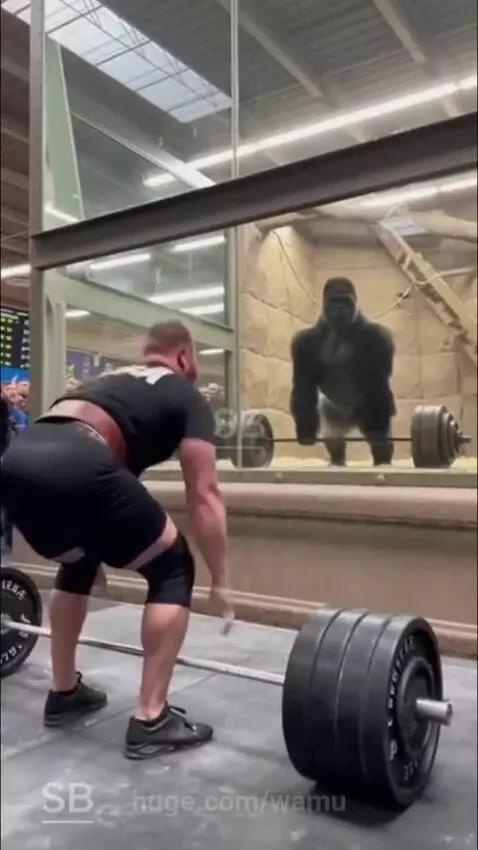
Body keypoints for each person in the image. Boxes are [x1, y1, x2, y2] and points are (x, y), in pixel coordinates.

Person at [2, 321, 233, 759]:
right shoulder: (185, 393)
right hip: (80, 457)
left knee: (79, 560)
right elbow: (204, 493)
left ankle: (64, 692)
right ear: (183, 356)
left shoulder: (105, 380)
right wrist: (221, 579)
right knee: (172, 564)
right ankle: (152, 718)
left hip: (18, 460)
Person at [290, 277, 396, 466]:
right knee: (335, 456)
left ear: (356, 303)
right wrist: (306, 427)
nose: (340, 309)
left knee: (383, 458)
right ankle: (337, 462)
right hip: (333, 404)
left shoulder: (376, 338)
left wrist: (379, 431)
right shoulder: (306, 343)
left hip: (368, 403)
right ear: (323, 305)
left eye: (345, 302)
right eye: (334, 302)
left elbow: (378, 387)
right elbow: (303, 389)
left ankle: (381, 461)